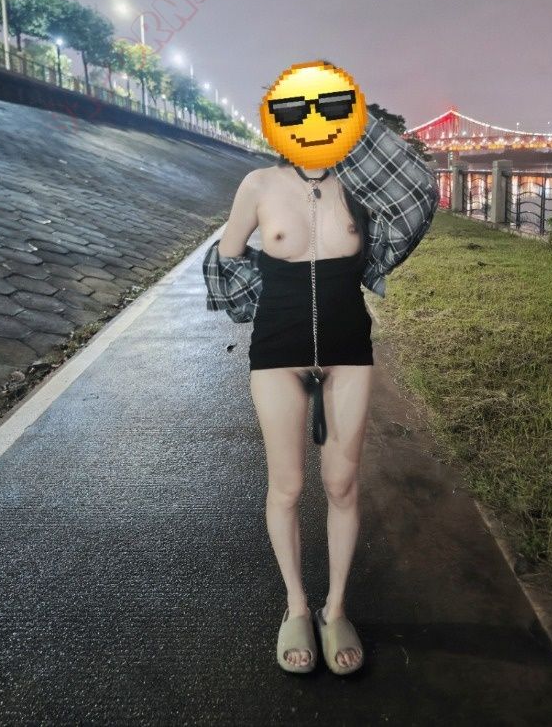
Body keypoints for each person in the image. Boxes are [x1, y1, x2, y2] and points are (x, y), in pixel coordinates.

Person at [203, 98, 440, 676]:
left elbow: (417, 194)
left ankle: (335, 609)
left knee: (341, 484)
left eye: (326, 111)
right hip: (277, 353)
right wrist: (265, 301)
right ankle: (296, 607)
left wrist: (356, 129)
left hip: (348, 349)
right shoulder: (258, 184)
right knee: (286, 486)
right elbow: (226, 259)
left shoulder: (358, 186)